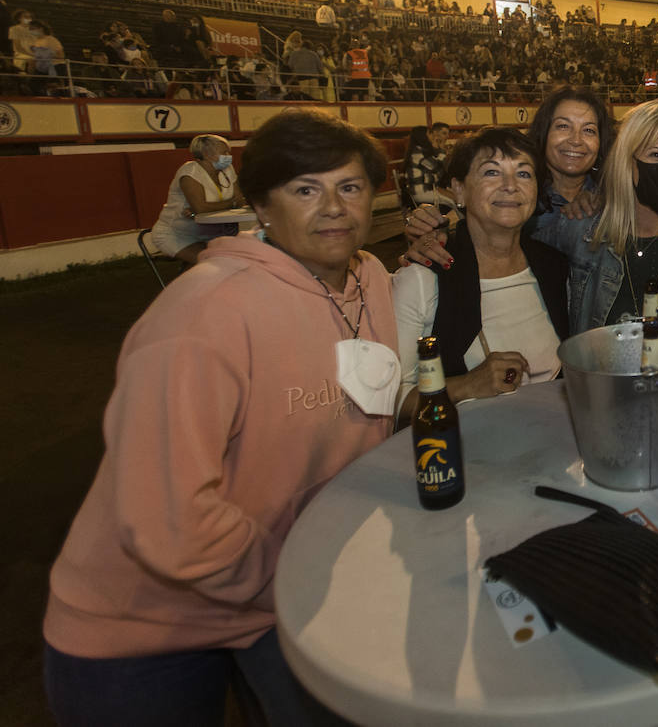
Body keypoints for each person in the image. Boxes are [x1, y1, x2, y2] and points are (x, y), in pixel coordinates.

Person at [43, 109, 394, 726]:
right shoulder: (203, 315)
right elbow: (169, 523)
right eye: (305, 189)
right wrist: (294, 573)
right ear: (260, 206)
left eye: (350, 186)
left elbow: (366, 421)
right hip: (145, 629)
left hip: (279, 597)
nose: (334, 207)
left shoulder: (375, 280)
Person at [405, 101, 658, 353]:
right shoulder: (577, 233)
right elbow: (498, 238)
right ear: (627, 161)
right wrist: (439, 233)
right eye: (657, 155)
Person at [393, 128, 568, 412]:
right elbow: (394, 400)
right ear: (459, 189)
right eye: (491, 172)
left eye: (524, 173)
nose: (510, 185)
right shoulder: (423, 276)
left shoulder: (556, 267)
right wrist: (467, 386)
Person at [524, 86, 614, 232]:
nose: (576, 140)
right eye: (563, 126)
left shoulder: (614, 198)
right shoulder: (520, 200)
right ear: (544, 133)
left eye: (588, 130)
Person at [149, 134, 246, 265]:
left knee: (239, 261)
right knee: (214, 263)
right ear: (207, 154)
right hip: (177, 236)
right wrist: (231, 203)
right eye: (224, 152)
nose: (228, 156)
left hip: (211, 234)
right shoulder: (189, 173)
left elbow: (240, 200)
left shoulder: (228, 169)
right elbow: (201, 208)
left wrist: (210, 207)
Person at [403, 123, 455, 210]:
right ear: (423, 137)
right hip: (421, 192)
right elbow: (435, 167)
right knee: (452, 201)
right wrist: (441, 150)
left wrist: (435, 176)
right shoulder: (418, 153)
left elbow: (435, 172)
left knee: (455, 198)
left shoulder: (421, 151)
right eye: (430, 133)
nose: (432, 136)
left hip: (427, 189)